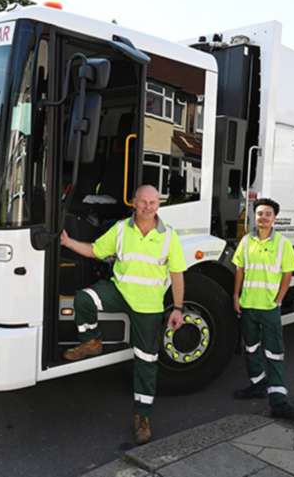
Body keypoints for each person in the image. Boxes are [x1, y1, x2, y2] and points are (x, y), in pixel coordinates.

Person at [60, 184, 186, 444]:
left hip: (149, 306)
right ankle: (92, 342)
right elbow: (95, 250)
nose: (148, 207)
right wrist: (67, 241)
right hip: (120, 292)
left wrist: (178, 308)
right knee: (85, 299)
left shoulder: (170, 237)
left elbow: (177, 274)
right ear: (134, 202)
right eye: (143, 202)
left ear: (158, 205)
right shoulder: (120, 229)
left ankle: (143, 416)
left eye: (153, 202)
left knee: (146, 361)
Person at [231, 198, 294, 420]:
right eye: (260, 213)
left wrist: (279, 299)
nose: (263, 217)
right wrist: (236, 295)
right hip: (248, 305)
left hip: (269, 307)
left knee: (274, 352)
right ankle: (258, 384)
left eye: (268, 214)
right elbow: (240, 269)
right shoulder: (246, 241)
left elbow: (287, 273)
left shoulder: (282, 244)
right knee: (251, 348)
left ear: (274, 218)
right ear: (255, 216)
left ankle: (279, 402)